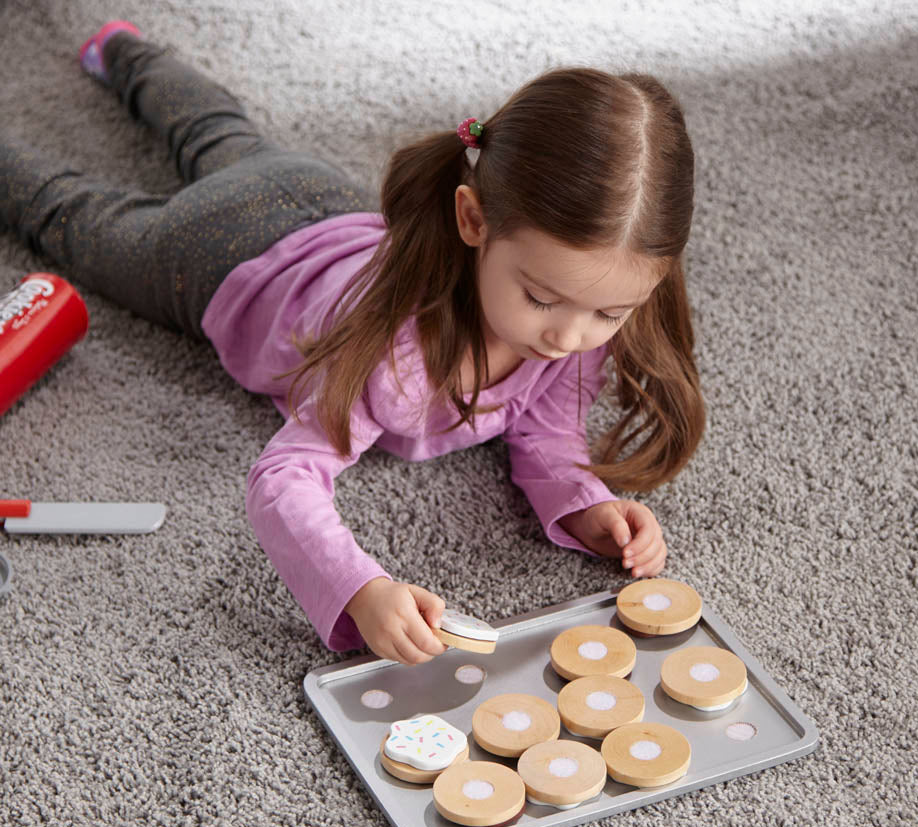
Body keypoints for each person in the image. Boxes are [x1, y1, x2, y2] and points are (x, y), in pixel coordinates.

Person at [0, 22, 706, 666]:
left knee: (219, 134)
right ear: (471, 220)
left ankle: (125, 46)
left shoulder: (576, 321)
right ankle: (124, 55)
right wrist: (360, 589)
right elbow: (282, 480)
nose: (568, 337)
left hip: (315, 199)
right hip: (213, 257)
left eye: (608, 312)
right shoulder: (392, 358)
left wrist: (584, 504)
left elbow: (546, 430)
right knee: (69, 215)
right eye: (542, 299)